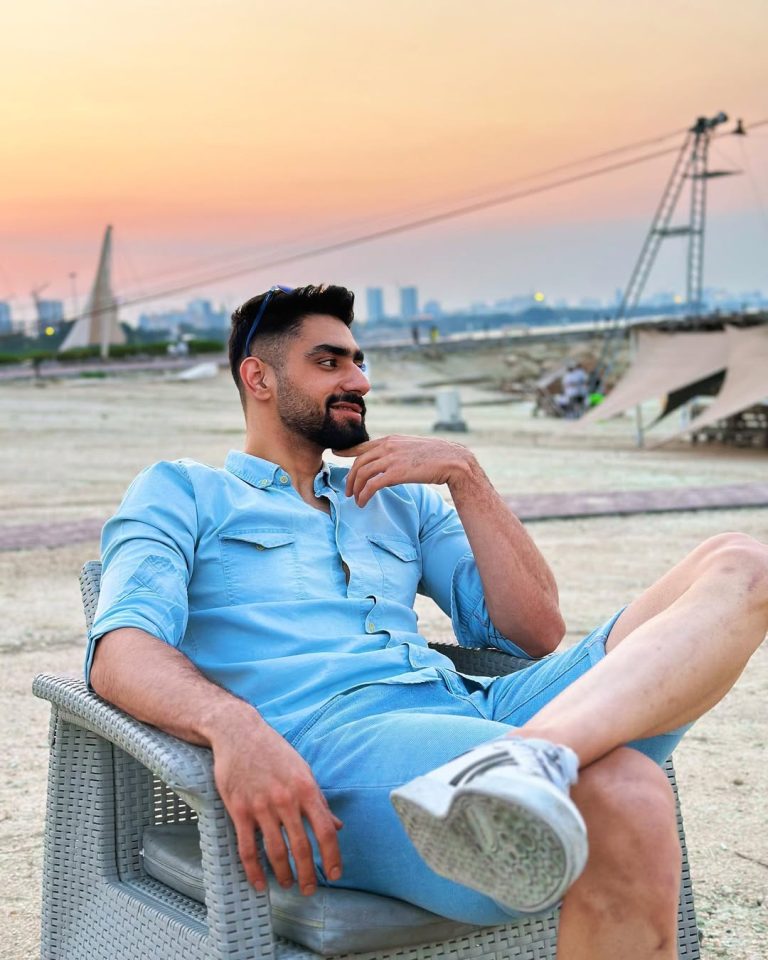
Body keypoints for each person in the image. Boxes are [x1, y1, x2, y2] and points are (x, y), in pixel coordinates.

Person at [88, 284, 767, 960]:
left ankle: (530, 756)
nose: (359, 380)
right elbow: (120, 650)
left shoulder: (395, 499)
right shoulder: (184, 491)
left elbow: (533, 632)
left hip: (480, 707)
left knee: (743, 565)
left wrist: (466, 475)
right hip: (338, 746)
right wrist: (233, 726)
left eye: (358, 361)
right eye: (329, 362)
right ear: (258, 378)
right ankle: (522, 762)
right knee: (625, 791)